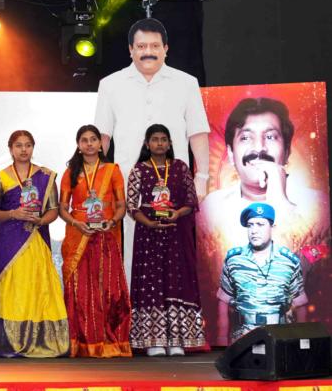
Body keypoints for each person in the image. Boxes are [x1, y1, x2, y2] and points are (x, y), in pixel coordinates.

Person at [94, 18, 211, 287]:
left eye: (155, 46)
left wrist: (202, 177)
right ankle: (135, 305)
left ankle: (175, 305)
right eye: (141, 46)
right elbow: (103, 136)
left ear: (166, 49)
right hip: (129, 180)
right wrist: (98, 180)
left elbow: (197, 132)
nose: (148, 51)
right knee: (133, 244)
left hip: (176, 181)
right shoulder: (110, 84)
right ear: (130, 50)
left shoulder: (186, 83)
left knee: (177, 243)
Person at [200, 97, 330, 327]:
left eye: (270, 137)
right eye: (246, 137)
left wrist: (279, 200)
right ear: (230, 153)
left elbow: (310, 279)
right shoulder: (211, 209)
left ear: (287, 151)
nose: (259, 148)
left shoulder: (319, 206)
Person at [0, 131, 69, 358]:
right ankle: (8, 341)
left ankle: (42, 341)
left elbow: (53, 209)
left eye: (28, 145)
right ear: (10, 149)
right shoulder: (1, 178)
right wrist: (13, 213)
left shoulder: (45, 176)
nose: (24, 149)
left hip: (37, 239)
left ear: (33, 148)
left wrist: (41, 221)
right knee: (13, 288)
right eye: (18, 145)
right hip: (9, 243)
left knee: (39, 286)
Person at [126, 124, 206, 356]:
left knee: (176, 281)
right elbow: (131, 205)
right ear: (147, 144)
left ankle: (177, 340)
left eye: (163, 139)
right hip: (148, 236)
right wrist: (149, 223)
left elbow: (191, 201)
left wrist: (177, 213)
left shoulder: (180, 168)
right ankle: (153, 341)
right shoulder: (139, 170)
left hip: (176, 234)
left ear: (170, 143)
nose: (159, 143)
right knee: (151, 283)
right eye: (155, 139)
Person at [58, 125, 132, 358]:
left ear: (101, 144)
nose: (89, 144)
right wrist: (76, 223)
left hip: (106, 236)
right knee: (79, 291)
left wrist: (113, 221)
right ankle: (80, 342)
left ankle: (109, 341)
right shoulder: (71, 173)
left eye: (93, 139)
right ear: (78, 145)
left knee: (108, 290)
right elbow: (62, 208)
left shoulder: (112, 170)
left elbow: (121, 206)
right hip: (79, 236)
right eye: (84, 140)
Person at [217, 203, 307, 343]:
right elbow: (224, 299)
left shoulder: (288, 261)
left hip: (279, 336)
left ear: (272, 227)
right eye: (250, 225)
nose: (254, 231)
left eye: (260, 224)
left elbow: (300, 303)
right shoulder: (234, 260)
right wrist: (222, 338)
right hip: (242, 337)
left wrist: (303, 341)